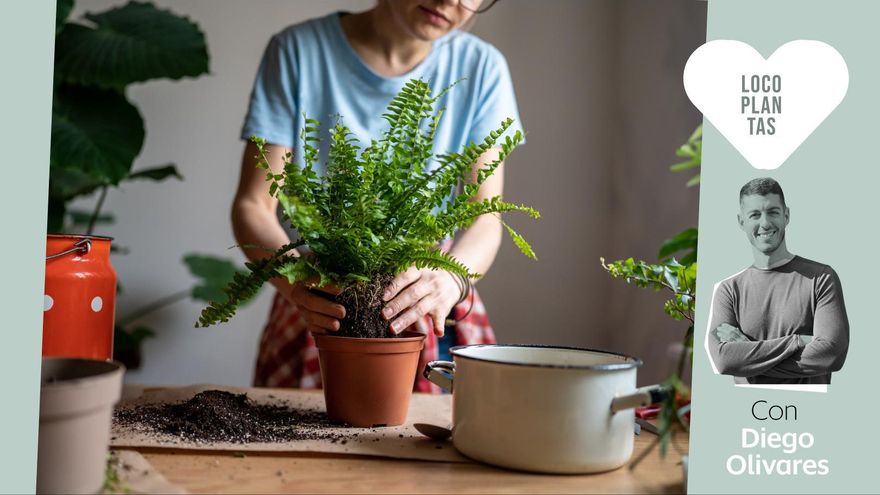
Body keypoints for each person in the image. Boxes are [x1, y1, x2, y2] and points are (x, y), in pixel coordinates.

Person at [233, 0, 521, 392]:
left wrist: (452, 278)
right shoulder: (299, 51)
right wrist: (296, 282)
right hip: (323, 297)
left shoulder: (482, 68)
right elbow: (254, 204)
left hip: (429, 295)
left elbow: (486, 216)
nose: (452, 1)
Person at [707, 177, 849, 385]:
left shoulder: (821, 278)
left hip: (809, 412)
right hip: (744, 412)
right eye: (755, 214)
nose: (765, 223)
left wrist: (748, 357)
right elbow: (724, 361)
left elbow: (832, 356)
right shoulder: (729, 290)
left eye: (772, 212)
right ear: (741, 222)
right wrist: (798, 341)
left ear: (786, 215)